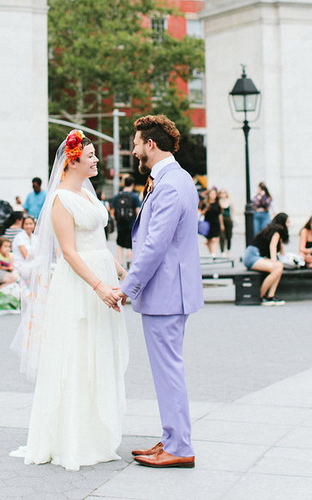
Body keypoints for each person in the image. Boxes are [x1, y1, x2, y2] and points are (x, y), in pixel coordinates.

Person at [11, 129, 128, 471]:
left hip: (102, 275)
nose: (96, 160)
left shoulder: (90, 197)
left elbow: (99, 244)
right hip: (80, 285)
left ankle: (96, 434)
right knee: (76, 354)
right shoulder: (60, 200)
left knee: (99, 353)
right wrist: (99, 286)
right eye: (90, 156)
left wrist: (123, 274)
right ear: (73, 161)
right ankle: (72, 439)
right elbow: (69, 252)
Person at [115, 114, 203, 469]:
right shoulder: (173, 179)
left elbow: (154, 245)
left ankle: (180, 446)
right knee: (168, 369)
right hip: (169, 291)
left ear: (150, 144)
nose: (134, 149)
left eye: (136, 143)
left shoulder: (169, 184)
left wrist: (127, 288)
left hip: (166, 293)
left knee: (168, 371)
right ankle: (171, 438)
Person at [242, 213, 288, 305]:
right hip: (252, 256)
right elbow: (273, 247)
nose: (289, 225)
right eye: (288, 222)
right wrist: (274, 261)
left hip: (254, 255)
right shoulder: (276, 231)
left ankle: (271, 295)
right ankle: (261, 296)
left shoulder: (272, 231)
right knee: (277, 267)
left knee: (279, 266)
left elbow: (282, 252)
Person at [111, 176, 141, 268]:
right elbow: (138, 212)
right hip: (131, 225)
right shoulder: (134, 196)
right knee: (130, 245)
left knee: (120, 244)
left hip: (120, 225)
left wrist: (116, 221)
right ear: (132, 184)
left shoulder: (117, 196)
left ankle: (120, 262)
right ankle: (129, 262)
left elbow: (112, 211)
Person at [12, 216, 36, 282]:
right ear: (23, 225)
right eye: (26, 224)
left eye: (31, 224)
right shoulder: (19, 237)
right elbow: (25, 256)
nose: (29, 226)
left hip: (32, 264)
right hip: (21, 265)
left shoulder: (35, 237)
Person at [202, 186, 222, 255]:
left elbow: (220, 214)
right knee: (209, 239)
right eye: (211, 194)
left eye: (214, 194)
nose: (213, 195)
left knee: (215, 239)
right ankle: (211, 253)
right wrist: (206, 208)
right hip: (208, 223)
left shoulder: (217, 203)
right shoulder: (205, 203)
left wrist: (222, 224)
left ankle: (214, 253)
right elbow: (202, 213)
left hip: (216, 223)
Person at [218, 189, 233, 255]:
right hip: (221, 219)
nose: (223, 194)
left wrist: (232, 218)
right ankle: (222, 251)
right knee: (222, 236)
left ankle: (228, 250)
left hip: (228, 219)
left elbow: (233, 210)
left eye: (224, 193)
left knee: (229, 235)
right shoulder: (218, 202)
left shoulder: (229, 201)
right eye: (221, 193)